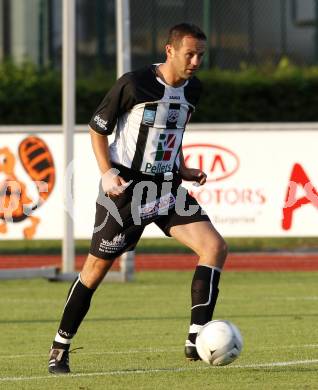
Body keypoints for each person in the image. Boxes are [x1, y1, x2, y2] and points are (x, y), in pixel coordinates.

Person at [48, 22, 228, 374]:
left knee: (215, 248)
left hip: (166, 186)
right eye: (189, 54)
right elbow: (98, 128)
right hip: (127, 190)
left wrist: (183, 167)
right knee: (94, 271)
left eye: (200, 55)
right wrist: (106, 172)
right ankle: (60, 347)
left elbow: (170, 132)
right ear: (170, 50)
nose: (195, 61)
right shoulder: (134, 84)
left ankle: (197, 337)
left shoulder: (194, 90)